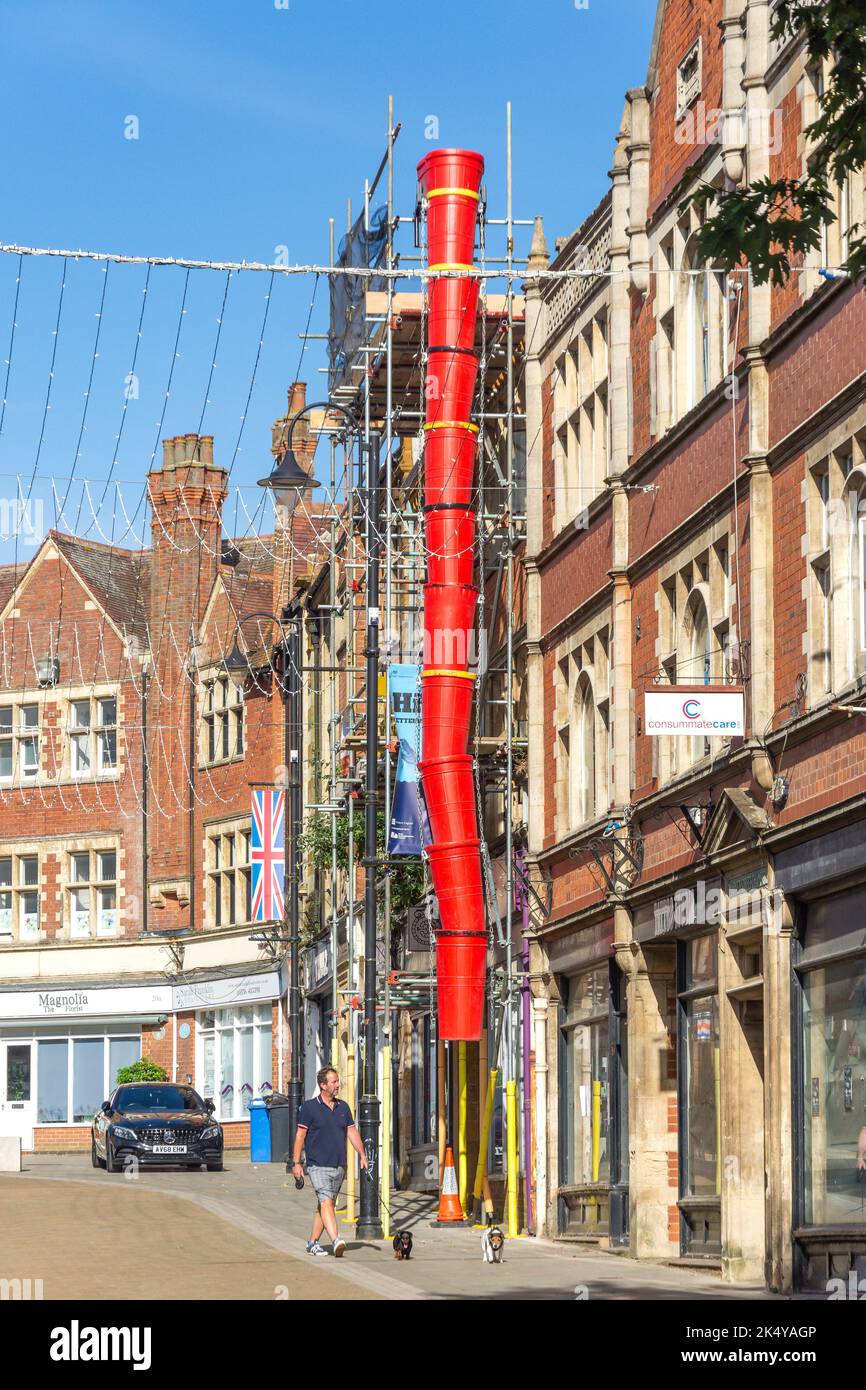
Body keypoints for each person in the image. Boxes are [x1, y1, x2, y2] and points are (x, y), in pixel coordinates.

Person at [291, 1065, 367, 1257]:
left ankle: (312, 1243)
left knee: (325, 1204)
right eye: (333, 1081)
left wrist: (362, 1154)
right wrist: (297, 1163)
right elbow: (300, 1136)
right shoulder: (309, 1108)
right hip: (317, 1165)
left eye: (337, 1081)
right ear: (323, 1085)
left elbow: (352, 1131)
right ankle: (336, 1240)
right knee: (326, 1202)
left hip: (339, 1164)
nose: (337, 1085)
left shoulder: (343, 1107)